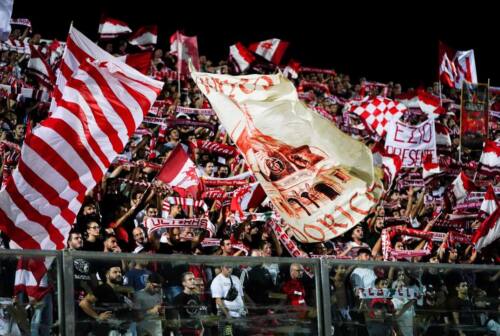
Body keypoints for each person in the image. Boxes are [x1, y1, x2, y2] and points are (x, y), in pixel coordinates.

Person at [210, 264, 246, 336]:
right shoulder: (217, 280)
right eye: (227, 267)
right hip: (226, 315)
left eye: (231, 267)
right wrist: (227, 315)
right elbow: (218, 300)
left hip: (240, 314)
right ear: (222, 267)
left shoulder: (236, 278)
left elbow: (241, 295)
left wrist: (244, 307)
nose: (230, 269)